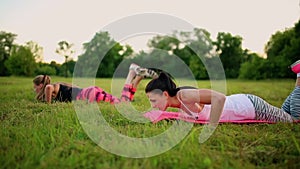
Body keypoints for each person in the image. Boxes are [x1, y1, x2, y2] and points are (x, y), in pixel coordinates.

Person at [145, 60, 300, 124]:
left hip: (250, 107)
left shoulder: (184, 95)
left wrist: (211, 126)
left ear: (165, 94)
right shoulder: (179, 101)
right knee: (284, 112)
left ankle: (299, 74)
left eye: (153, 100)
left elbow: (219, 98)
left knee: (294, 120)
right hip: (245, 103)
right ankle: (298, 76)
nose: (152, 105)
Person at [33, 63, 158, 104]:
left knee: (122, 104)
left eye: (35, 86)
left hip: (88, 95)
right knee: (124, 102)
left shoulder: (50, 87)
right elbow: (75, 87)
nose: (34, 89)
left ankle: (131, 73)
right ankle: (138, 78)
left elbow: (48, 87)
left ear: (40, 85)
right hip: (89, 91)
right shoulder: (58, 85)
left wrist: (47, 103)